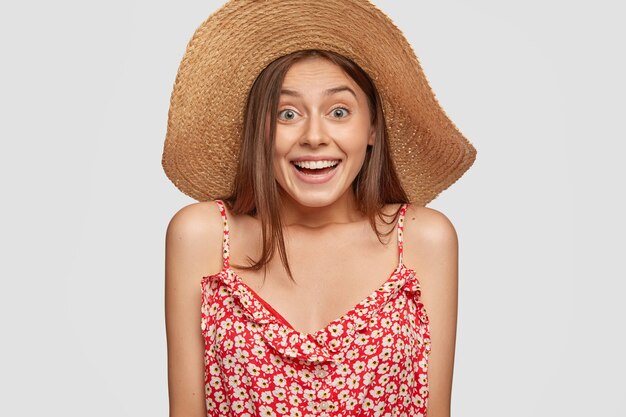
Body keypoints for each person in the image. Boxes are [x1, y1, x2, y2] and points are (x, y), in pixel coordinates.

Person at [162, 1, 476, 416]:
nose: (314, 136)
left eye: (339, 112)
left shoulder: (423, 239)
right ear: (259, 130)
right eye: (287, 113)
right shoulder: (202, 235)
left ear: (373, 129)